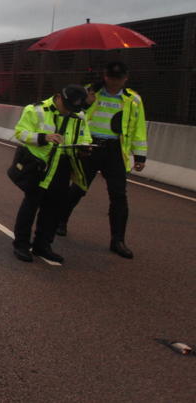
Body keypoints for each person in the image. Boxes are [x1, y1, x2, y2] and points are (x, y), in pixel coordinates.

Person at [56, 61, 147, 258]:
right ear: (105, 76)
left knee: (119, 196)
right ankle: (61, 222)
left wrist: (139, 155)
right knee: (79, 188)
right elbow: (71, 115)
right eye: (112, 77)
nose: (116, 81)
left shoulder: (134, 100)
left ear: (126, 77)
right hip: (89, 147)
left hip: (115, 152)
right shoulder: (88, 93)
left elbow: (138, 129)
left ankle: (118, 240)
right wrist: (86, 104)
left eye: (120, 77)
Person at [11, 85, 92, 263]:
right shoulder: (36, 110)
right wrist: (43, 137)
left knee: (53, 208)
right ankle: (21, 244)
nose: (71, 111)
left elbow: (84, 135)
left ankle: (43, 245)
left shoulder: (79, 115)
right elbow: (20, 132)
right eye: (68, 106)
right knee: (31, 204)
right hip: (40, 165)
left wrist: (85, 146)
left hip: (63, 166)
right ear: (60, 98)